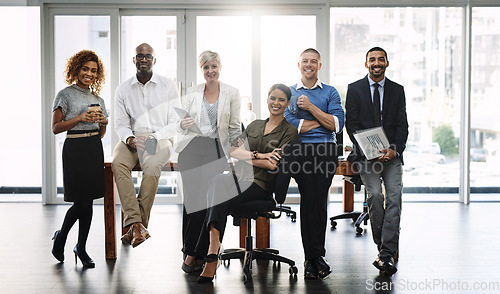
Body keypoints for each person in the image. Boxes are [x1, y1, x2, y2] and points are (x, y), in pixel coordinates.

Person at [196, 84, 298, 283]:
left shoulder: (289, 131)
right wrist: (259, 155)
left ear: (287, 103)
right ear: (267, 99)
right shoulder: (254, 125)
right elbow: (234, 152)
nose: (276, 103)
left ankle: (210, 254)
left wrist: (248, 157)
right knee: (217, 181)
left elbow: (272, 164)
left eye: (281, 100)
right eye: (272, 98)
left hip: (260, 185)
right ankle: (214, 245)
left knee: (215, 196)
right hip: (237, 177)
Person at [345, 47, 408, 276]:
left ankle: (386, 253)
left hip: (391, 156)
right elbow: (351, 124)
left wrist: (395, 150)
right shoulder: (355, 89)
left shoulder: (397, 90)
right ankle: (384, 247)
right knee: (375, 195)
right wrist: (369, 149)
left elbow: (402, 125)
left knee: (394, 197)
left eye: (381, 59)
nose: (376, 63)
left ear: (387, 63)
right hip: (366, 156)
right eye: (372, 59)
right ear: (366, 64)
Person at [176, 50, 241, 273]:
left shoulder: (232, 93)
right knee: (192, 203)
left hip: (215, 149)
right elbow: (179, 123)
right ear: (201, 69)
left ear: (220, 67)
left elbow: (234, 128)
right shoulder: (192, 92)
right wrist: (182, 124)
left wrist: (236, 155)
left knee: (206, 204)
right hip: (191, 149)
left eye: (213, 66)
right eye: (205, 67)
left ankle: (195, 255)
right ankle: (190, 251)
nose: (210, 71)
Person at [284, 48, 344, 279]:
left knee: (317, 200)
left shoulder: (331, 92)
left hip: (325, 150)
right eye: (305, 61)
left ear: (320, 66)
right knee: (311, 199)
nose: (309, 65)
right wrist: (324, 120)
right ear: (298, 64)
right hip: (300, 150)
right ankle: (314, 257)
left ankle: (313, 257)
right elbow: (290, 126)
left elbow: (337, 126)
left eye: (313, 62)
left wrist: (310, 109)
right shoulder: (288, 92)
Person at [112, 43, 180, 248]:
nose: (143, 59)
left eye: (148, 56)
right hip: (132, 138)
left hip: (160, 138)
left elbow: (174, 122)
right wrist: (130, 139)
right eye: (139, 56)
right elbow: (120, 123)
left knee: (151, 167)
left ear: (154, 60)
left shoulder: (168, 85)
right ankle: (138, 225)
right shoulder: (122, 89)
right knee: (117, 163)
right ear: (134, 60)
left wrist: (154, 137)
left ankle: (135, 225)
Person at [51, 50, 108, 268]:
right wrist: (79, 118)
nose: (89, 74)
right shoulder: (64, 94)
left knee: (89, 200)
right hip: (74, 149)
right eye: (85, 69)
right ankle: (62, 236)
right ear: (76, 69)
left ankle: (81, 247)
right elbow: (55, 128)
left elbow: (100, 134)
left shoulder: (98, 99)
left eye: (94, 71)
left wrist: (103, 122)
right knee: (80, 202)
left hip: (94, 148)